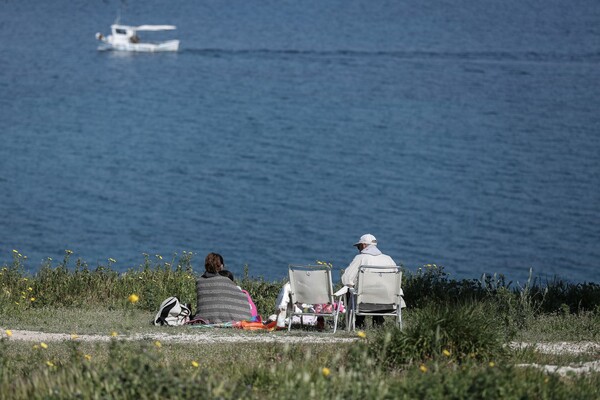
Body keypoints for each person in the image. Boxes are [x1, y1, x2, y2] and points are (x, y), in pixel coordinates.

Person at [341, 234, 399, 328]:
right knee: (380, 289)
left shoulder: (360, 258)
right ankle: (378, 323)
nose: (359, 250)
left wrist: (353, 284)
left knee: (350, 290)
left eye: (359, 247)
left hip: (364, 303)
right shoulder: (388, 259)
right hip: (388, 303)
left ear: (364, 245)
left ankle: (358, 323)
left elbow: (346, 279)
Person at [195, 253, 252, 323]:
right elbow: (243, 297)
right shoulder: (225, 280)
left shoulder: (199, 282)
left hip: (203, 318)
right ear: (220, 266)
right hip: (232, 319)